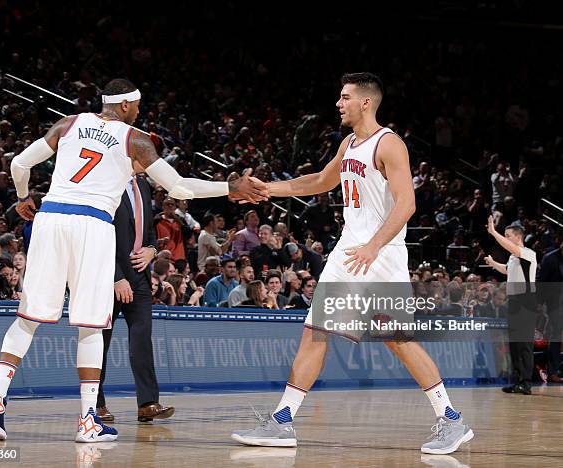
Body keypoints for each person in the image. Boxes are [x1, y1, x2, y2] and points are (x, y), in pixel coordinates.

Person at [0, 78, 267, 443]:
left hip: (51, 217)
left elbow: (19, 163)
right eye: (139, 105)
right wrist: (231, 188)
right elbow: (178, 188)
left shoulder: (69, 123)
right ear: (128, 105)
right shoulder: (135, 139)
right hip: (93, 224)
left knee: (29, 318)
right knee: (91, 325)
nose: (140, 110)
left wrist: (22, 198)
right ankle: (87, 420)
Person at [232, 73, 473, 454]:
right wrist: (268, 189)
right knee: (315, 331)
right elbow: (321, 181)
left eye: (345, 97)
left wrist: (374, 246)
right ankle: (282, 421)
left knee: (397, 339)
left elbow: (407, 204)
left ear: (366, 102)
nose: (338, 103)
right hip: (349, 252)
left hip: (381, 256)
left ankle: (451, 419)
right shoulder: (349, 143)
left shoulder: (388, 144)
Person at [96, 169, 174, 425]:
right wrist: (116, 277)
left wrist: (152, 250)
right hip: (108, 277)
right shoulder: (106, 180)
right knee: (100, 344)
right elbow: (100, 233)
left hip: (140, 276)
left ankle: (148, 403)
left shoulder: (142, 185)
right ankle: (96, 405)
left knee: (142, 339)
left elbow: (148, 230)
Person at [485, 217, 538, 394]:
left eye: (508, 236)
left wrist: (493, 232)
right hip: (514, 302)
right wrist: (493, 263)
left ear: (517, 237)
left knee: (524, 345)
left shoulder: (528, 253)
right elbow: (507, 270)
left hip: (526, 301)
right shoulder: (514, 257)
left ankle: (526, 382)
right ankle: (517, 381)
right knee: (514, 344)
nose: (506, 239)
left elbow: (511, 248)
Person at [537, 239, 563, 383]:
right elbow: (541, 282)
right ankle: (553, 371)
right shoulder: (550, 258)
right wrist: (539, 303)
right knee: (556, 333)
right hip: (555, 302)